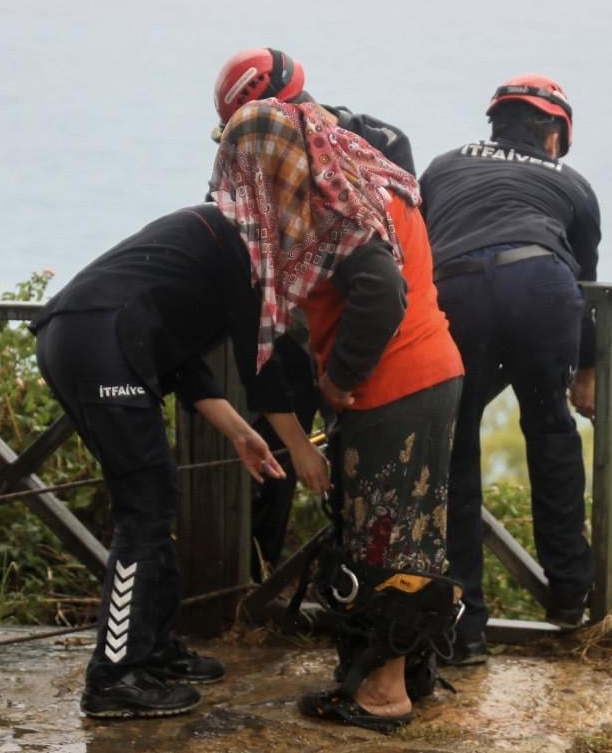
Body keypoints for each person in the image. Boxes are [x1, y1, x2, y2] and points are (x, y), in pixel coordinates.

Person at [208, 96, 464, 733]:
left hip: (391, 385)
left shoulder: (332, 207)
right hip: (432, 371)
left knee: (382, 543)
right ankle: (412, 675)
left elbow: (382, 291)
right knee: (413, 537)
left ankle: (382, 696)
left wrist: (339, 376)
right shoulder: (370, 177)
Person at [31, 205, 331, 717]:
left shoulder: (212, 239)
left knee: (154, 498)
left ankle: (152, 647)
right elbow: (260, 367)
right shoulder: (245, 247)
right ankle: (113, 676)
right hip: (100, 343)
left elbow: (185, 363)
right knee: (144, 506)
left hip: (84, 337)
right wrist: (300, 448)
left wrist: (240, 433)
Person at [208, 47, 417, 580]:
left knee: (300, 454)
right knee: (353, 470)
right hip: (367, 335)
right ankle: (323, 581)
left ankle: (269, 578)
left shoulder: (320, 151)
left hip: (329, 332)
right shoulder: (383, 142)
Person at [418, 73, 601, 661]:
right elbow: (586, 288)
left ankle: (464, 627)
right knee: (550, 431)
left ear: (495, 125)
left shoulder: (442, 167)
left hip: (457, 292)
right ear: (554, 137)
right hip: (540, 287)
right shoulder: (572, 184)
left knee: (455, 449)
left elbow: (415, 251)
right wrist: (587, 372)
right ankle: (569, 596)